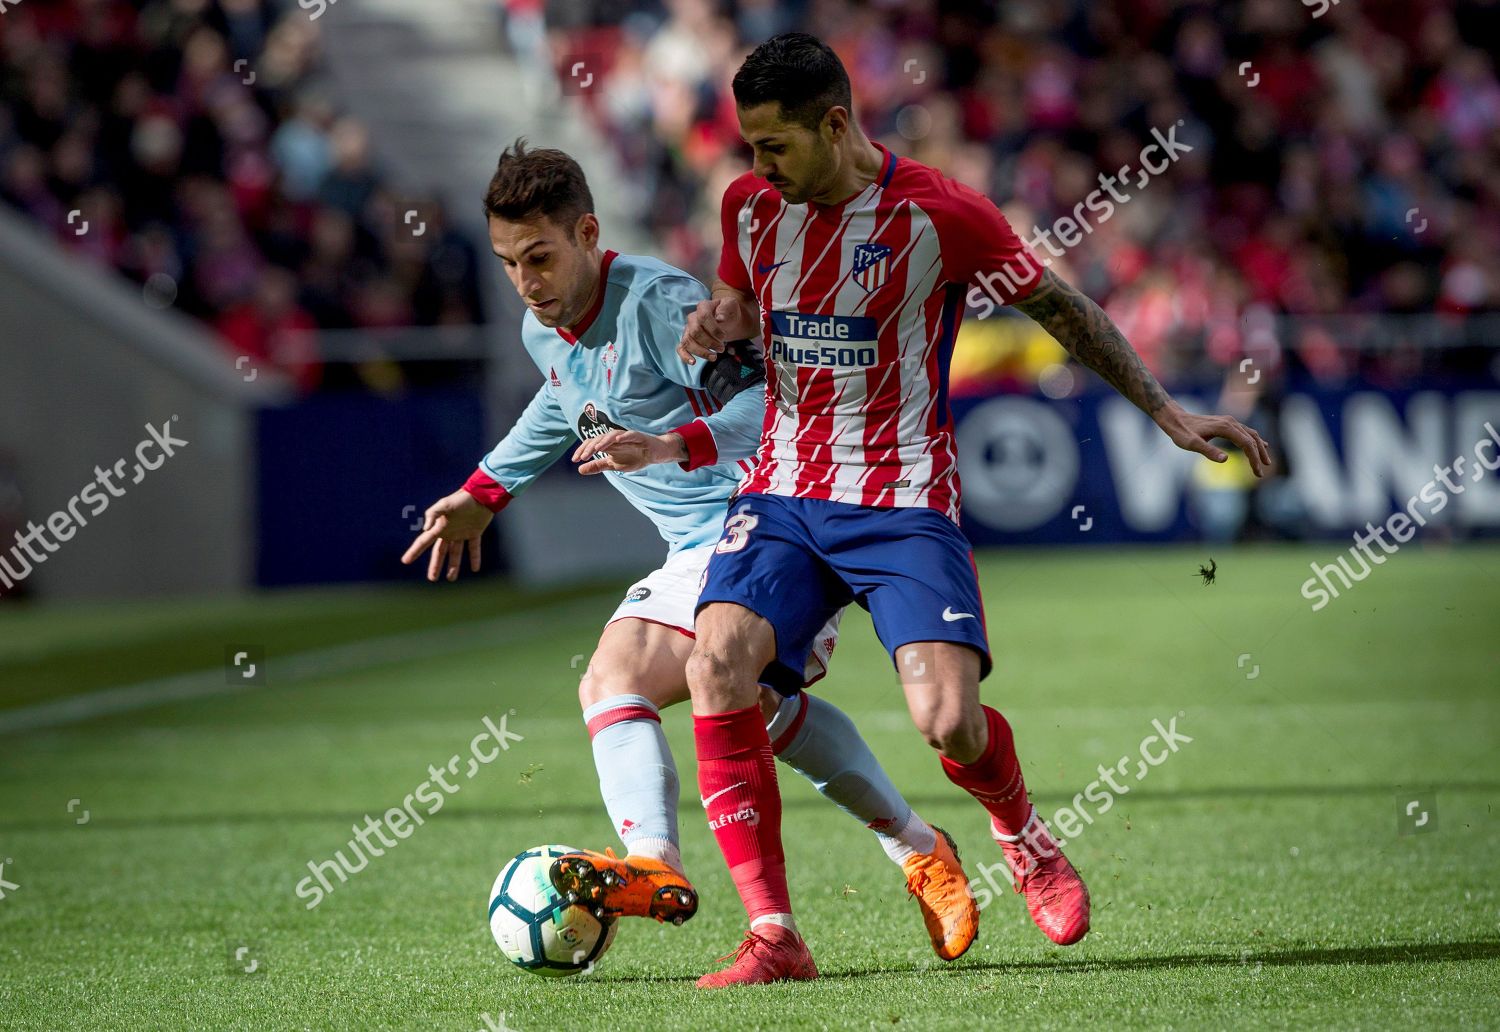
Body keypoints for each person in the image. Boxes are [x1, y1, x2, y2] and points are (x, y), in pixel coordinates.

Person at [669, 34, 1274, 987]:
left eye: (774, 146)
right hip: (783, 488)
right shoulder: (750, 206)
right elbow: (743, 308)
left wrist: (1164, 411)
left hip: (902, 494)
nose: (757, 167)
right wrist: (718, 322)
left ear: (836, 125)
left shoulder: (943, 214)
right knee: (715, 665)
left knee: (949, 723)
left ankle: (1022, 835)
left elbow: (1062, 309)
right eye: (749, 147)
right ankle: (776, 935)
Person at [402, 140, 981, 960]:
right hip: (694, 547)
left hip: (771, 527)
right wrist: (485, 491)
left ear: (589, 233)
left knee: (620, 678)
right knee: (759, 713)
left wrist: (670, 443)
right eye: (507, 262)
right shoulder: (545, 328)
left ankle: (663, 865)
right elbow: (562, 398)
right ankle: (917, 850)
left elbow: (774, 405)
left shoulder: (661, 304)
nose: (526, 282)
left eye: (539, 256)